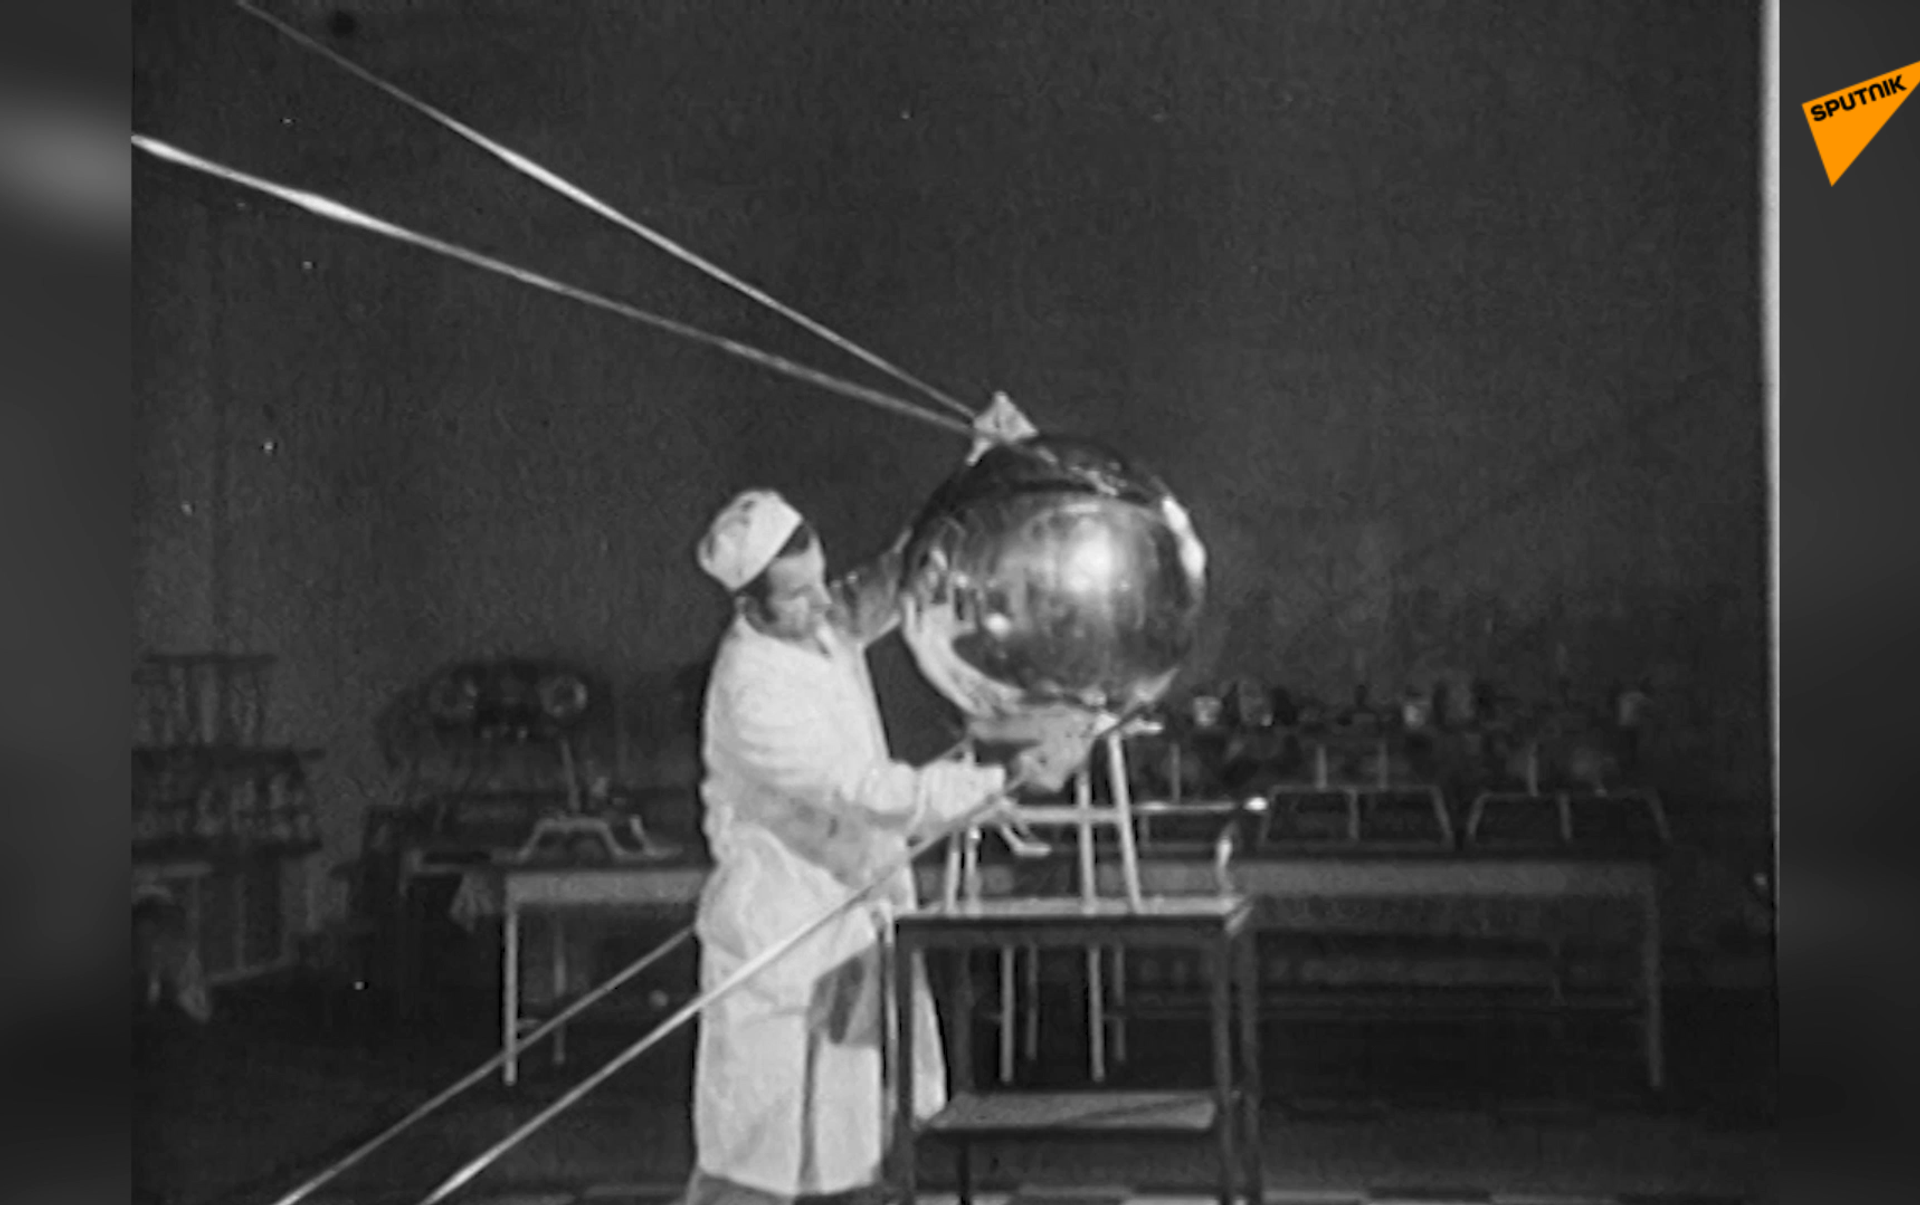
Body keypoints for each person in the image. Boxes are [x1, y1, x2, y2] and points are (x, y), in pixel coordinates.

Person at [682, 396, 1095, 1205]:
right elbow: (870, 792)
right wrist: (1006, 779)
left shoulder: (820, 624)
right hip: (780, 938)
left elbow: (904, 570)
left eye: (816, 583)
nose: (819, 606)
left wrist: (981, 466)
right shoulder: (751, 688)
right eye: (795, 598)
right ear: (748, 604)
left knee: (854, 1149)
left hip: (851, 922)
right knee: (753, 1161)